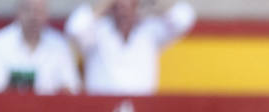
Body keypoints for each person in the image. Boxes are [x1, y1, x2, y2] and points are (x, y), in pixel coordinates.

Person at [65, 0, 195, 95]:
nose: (124, 12)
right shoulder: (96, 32)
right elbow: (74, 28)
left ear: (137, 6)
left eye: (129, 5)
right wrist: (105, 4)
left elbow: (184, 19)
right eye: (119, 6)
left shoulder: (150, 31)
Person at [0, 0, 81, 94]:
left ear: (46, 14)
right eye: (28, 10)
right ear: (18, 12)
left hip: (49, 110)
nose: (33, 16)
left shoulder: (60, 46)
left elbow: (72, 88)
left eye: (38, 11)